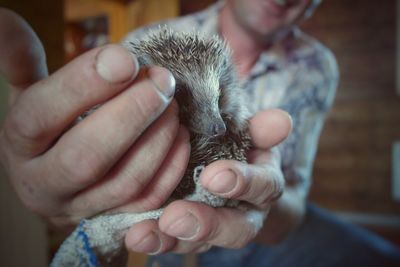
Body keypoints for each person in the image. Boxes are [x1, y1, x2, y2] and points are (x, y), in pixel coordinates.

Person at [0, 1, 399, 267]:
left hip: (270, 228)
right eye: (191, 101)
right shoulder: (143, 42)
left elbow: (294, 194)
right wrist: (65, 186)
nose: (217, 123)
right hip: (168, 241)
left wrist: (253, 202)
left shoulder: (318, 67)